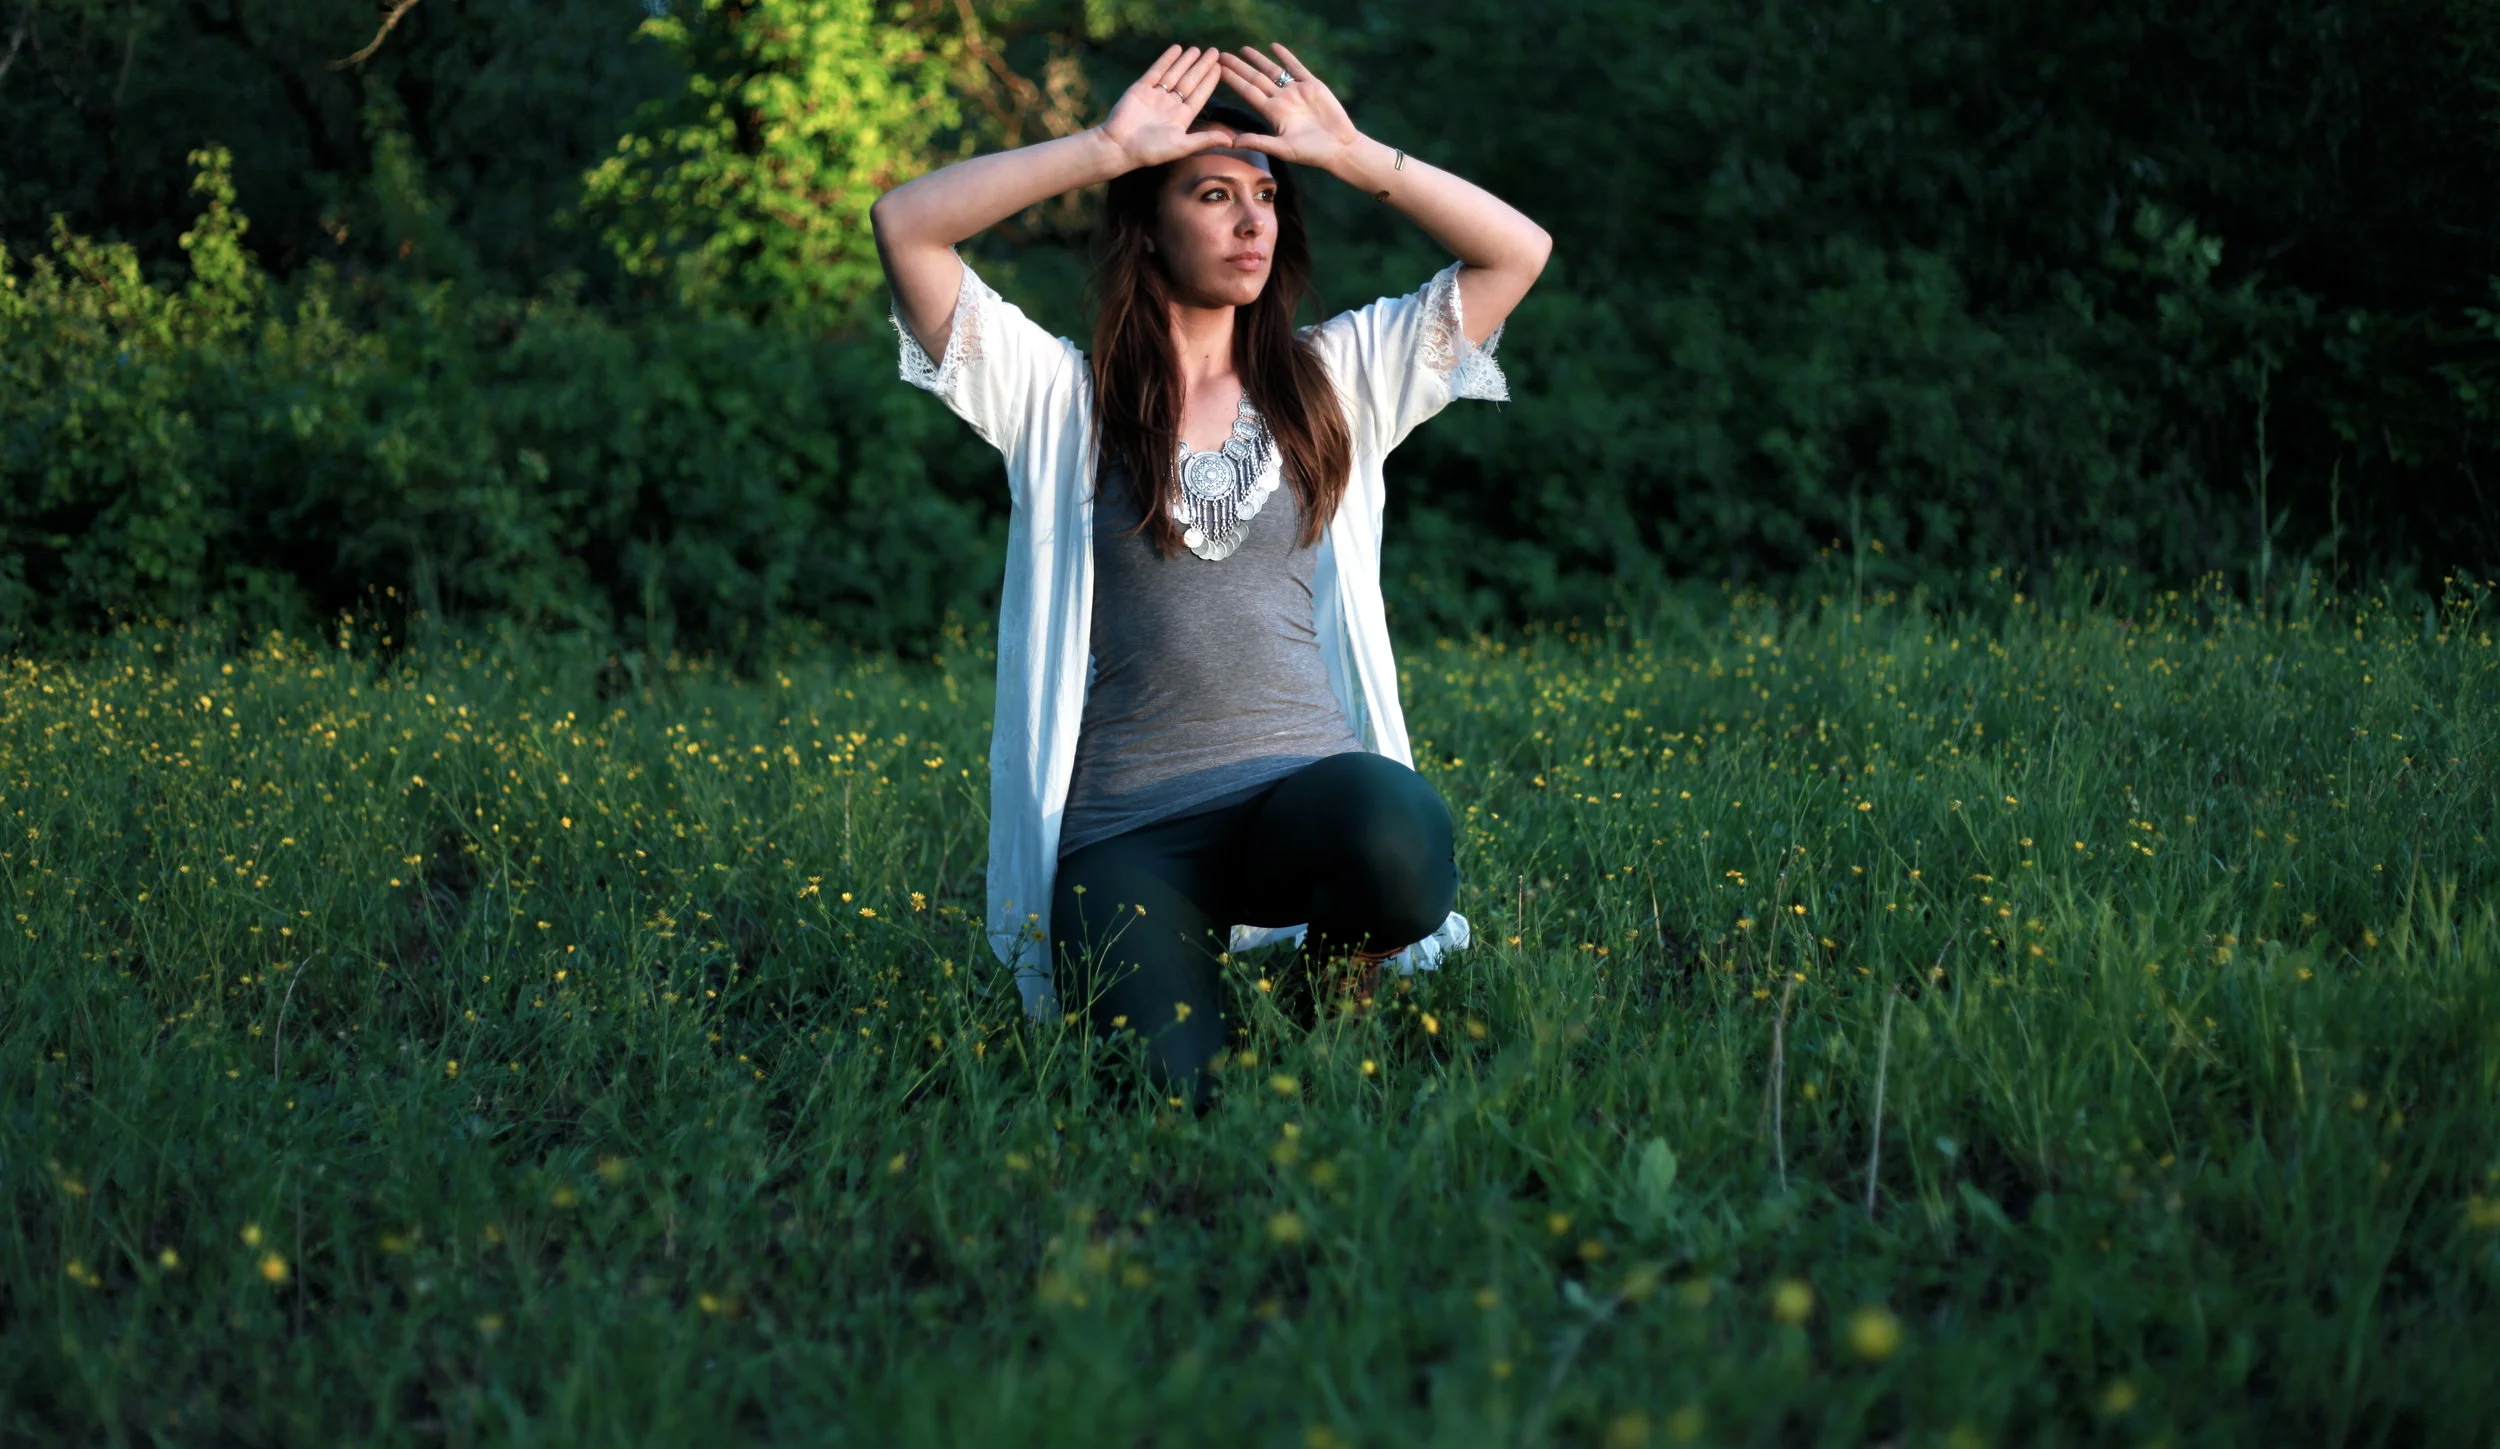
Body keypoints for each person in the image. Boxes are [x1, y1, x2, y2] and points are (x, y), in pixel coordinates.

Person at [871, 42, 1551, 1100]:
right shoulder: (1059, 400)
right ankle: (1187, 993)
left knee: (1400, 834)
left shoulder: (1333, 380)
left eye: (1266, 198)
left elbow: (1516, 252)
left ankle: (1331, 989)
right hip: (1130, 832)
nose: (1252, 223)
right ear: (1148, 225)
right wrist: (1105, 147)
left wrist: (1350, 154)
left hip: (1302, 799)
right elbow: (906, 224)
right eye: (1214, 195)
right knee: (1172, 1091)